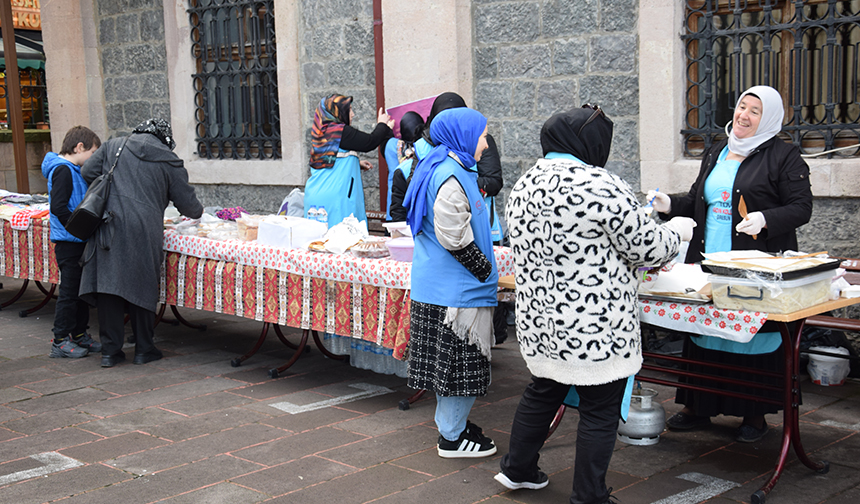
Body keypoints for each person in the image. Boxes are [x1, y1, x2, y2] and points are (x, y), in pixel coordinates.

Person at [497, 105, 695, 503]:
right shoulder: (600, 185)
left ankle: (516, 469)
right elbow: (648, 246)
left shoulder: (524, 185)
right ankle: (590, 495)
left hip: (542, 322)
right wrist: (676, 229)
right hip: (595, 325)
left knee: (543, 391)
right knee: (600, 409)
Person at [647, 85, 813, 443]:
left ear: (767, 118)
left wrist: (766, 219)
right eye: (741, 106)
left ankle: (753, 414)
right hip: (709, 263)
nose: (744, 115)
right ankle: (697, 406)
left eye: (755, 111)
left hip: (754, 265)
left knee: (749, 335)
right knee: (707, 330)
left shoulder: (785, 157)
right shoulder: (717, 151)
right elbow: (696, 201)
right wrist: (667, 204)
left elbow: (802, 208)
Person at [403, 107, 498, 458]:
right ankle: (453, 438)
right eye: (481, 135)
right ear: (462, 137)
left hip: (443, 287)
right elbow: (454, 236)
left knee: (452, 369)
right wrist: (486, 272)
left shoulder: (450, 168)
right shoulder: (450, 176)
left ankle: (452, 427)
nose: (485, 145)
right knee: (462, 368)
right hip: (457, 292)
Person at [79, 118, 203, 367]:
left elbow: (87, 172)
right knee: (142, 284)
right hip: (144, 229)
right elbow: (190, 207)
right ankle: (144, 349)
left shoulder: (114, 145)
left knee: (109, 286)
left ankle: (110, 352)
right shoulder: (168, 160)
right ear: (165, 139)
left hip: (108, 224)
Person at [42, 126, 103, 358]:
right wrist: (79, 227)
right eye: (92, 153)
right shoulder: (63, 171)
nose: (93, 158)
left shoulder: (72, 170)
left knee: (81, 292)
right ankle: (59, 341)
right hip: (69, 242)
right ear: (79, 148)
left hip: (77, 239)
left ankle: (79, 335)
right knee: (69, 293)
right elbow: (58, 207)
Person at [424, 92, 504, 243]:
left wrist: (462, 187)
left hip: (477, 227)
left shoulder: (478, 141)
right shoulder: (425, 144)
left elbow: (493, 182)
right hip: (437, 233)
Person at [306, 94, 393, 227]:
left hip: (316, 198)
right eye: (349, 110)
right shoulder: (340, 131)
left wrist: (355, 162)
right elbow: (369, 143)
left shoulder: (321, 131)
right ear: (338, 112)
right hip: (336, 198)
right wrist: (382, 124)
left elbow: (327, 158)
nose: (352, 115)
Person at [388, 111, 430, 223]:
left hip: (396, 216)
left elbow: (381, 142)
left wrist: (387, 127)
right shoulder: (431, 161)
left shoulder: (391, 146)